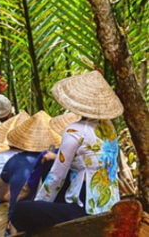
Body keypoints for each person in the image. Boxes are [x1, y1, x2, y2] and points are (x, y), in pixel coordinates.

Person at [12, 70, 123, 233]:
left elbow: (57, 176)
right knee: (49, 163)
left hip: (85, 208)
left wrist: (39, 204)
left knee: (21, 210)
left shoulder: (75, 130)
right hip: (110, 204)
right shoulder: (109, 129)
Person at [0, 111, 60, 236]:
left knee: (2, 210)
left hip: (26, 223)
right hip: (53, 218)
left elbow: (0, 194)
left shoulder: (16, 161)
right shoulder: (62, 158)